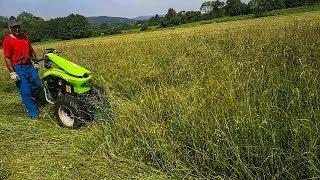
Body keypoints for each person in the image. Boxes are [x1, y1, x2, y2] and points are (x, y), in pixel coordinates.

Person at [2, 16, 42, 120]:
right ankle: (34, 114)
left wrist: (36, 62)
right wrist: (12, 72)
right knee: (25, 91)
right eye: (14, 27)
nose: (17, 29)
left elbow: (31, 50)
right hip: (18, 68)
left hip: (29, 65)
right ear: (10, 28)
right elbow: (7, 58)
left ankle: (31, 101)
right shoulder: (7, 40)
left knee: (37, 85)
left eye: (18, 26)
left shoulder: (25, 37)